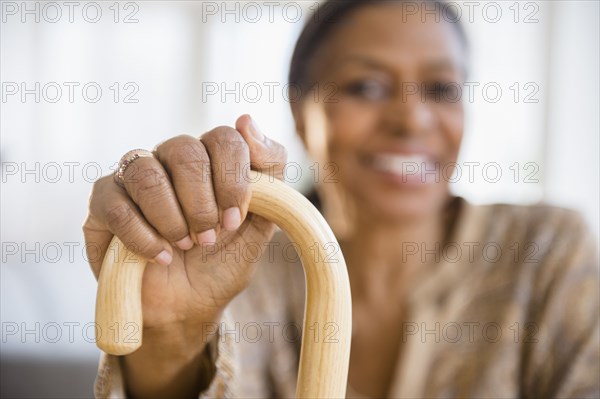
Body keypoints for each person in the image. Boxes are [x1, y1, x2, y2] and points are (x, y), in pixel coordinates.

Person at [85, 1, 599, 398]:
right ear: (300, 110)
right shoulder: (230, 256)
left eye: (441, 89)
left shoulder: (547, 252)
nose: (412, 119)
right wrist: (173, 333)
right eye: (367, 87)